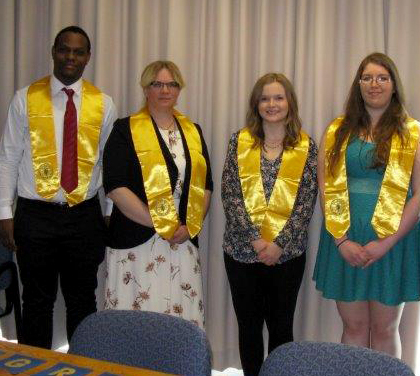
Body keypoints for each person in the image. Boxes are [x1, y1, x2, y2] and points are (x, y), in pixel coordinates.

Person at [0, 26, 117, 348]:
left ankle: (83, 365)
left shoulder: (103, 104)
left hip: (84, 216)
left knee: (83, 301)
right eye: (64, 49)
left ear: (88, 58)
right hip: (35, 215)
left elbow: (109, 162)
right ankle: (35, 367)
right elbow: (8, 158)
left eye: (78, 52)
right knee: (37, 302)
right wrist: (3, 213)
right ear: (53, 51)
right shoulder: (24, 98)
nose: (70, 57)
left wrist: (108, 211)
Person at [313, 52, 420, 357]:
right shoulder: (336, 131)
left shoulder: (417, 134)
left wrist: (386, 243)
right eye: (367, 78)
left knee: (385, 329)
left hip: (393, 244)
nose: (374, 84)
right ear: (358, 84)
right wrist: (341, 241)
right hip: (345, 240)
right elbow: (325, 187)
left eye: (382, 77)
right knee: (352, 328)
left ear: (394, 85)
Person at [102, 61, 212, 328]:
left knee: (179, 321)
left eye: (172, 84)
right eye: (157, 84)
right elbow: (115, 186)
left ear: (179, 89)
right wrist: (160, 223)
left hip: (181, 240)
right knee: (135, 322)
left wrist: (190, 226)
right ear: (145, 88)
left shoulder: (193, 131)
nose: (165, 90)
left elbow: (205, 185)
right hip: (135, 241)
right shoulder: (124, 129)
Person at [221, 73, 317, 376]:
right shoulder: (240, 141)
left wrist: (278, 245)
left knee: (281, 329)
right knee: (248, 328)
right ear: (256, 104)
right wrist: (255, 241)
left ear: (289, 102)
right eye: (264, 98)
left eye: (278, 97)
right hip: (241, 253)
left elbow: (306, 201)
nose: (272, 104)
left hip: (286, 256)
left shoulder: (306, 146)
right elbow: (230, 193)